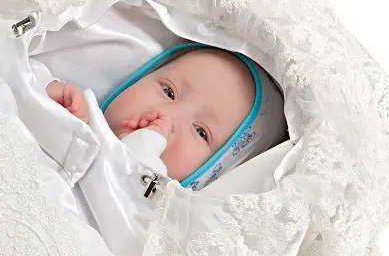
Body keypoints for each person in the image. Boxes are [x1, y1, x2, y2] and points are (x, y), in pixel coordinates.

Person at [44, 42, 288, 189]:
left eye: (201, 132)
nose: (167, 116)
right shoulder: (78, 110)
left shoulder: (161, 225)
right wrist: (46, 100)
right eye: (168, 91)